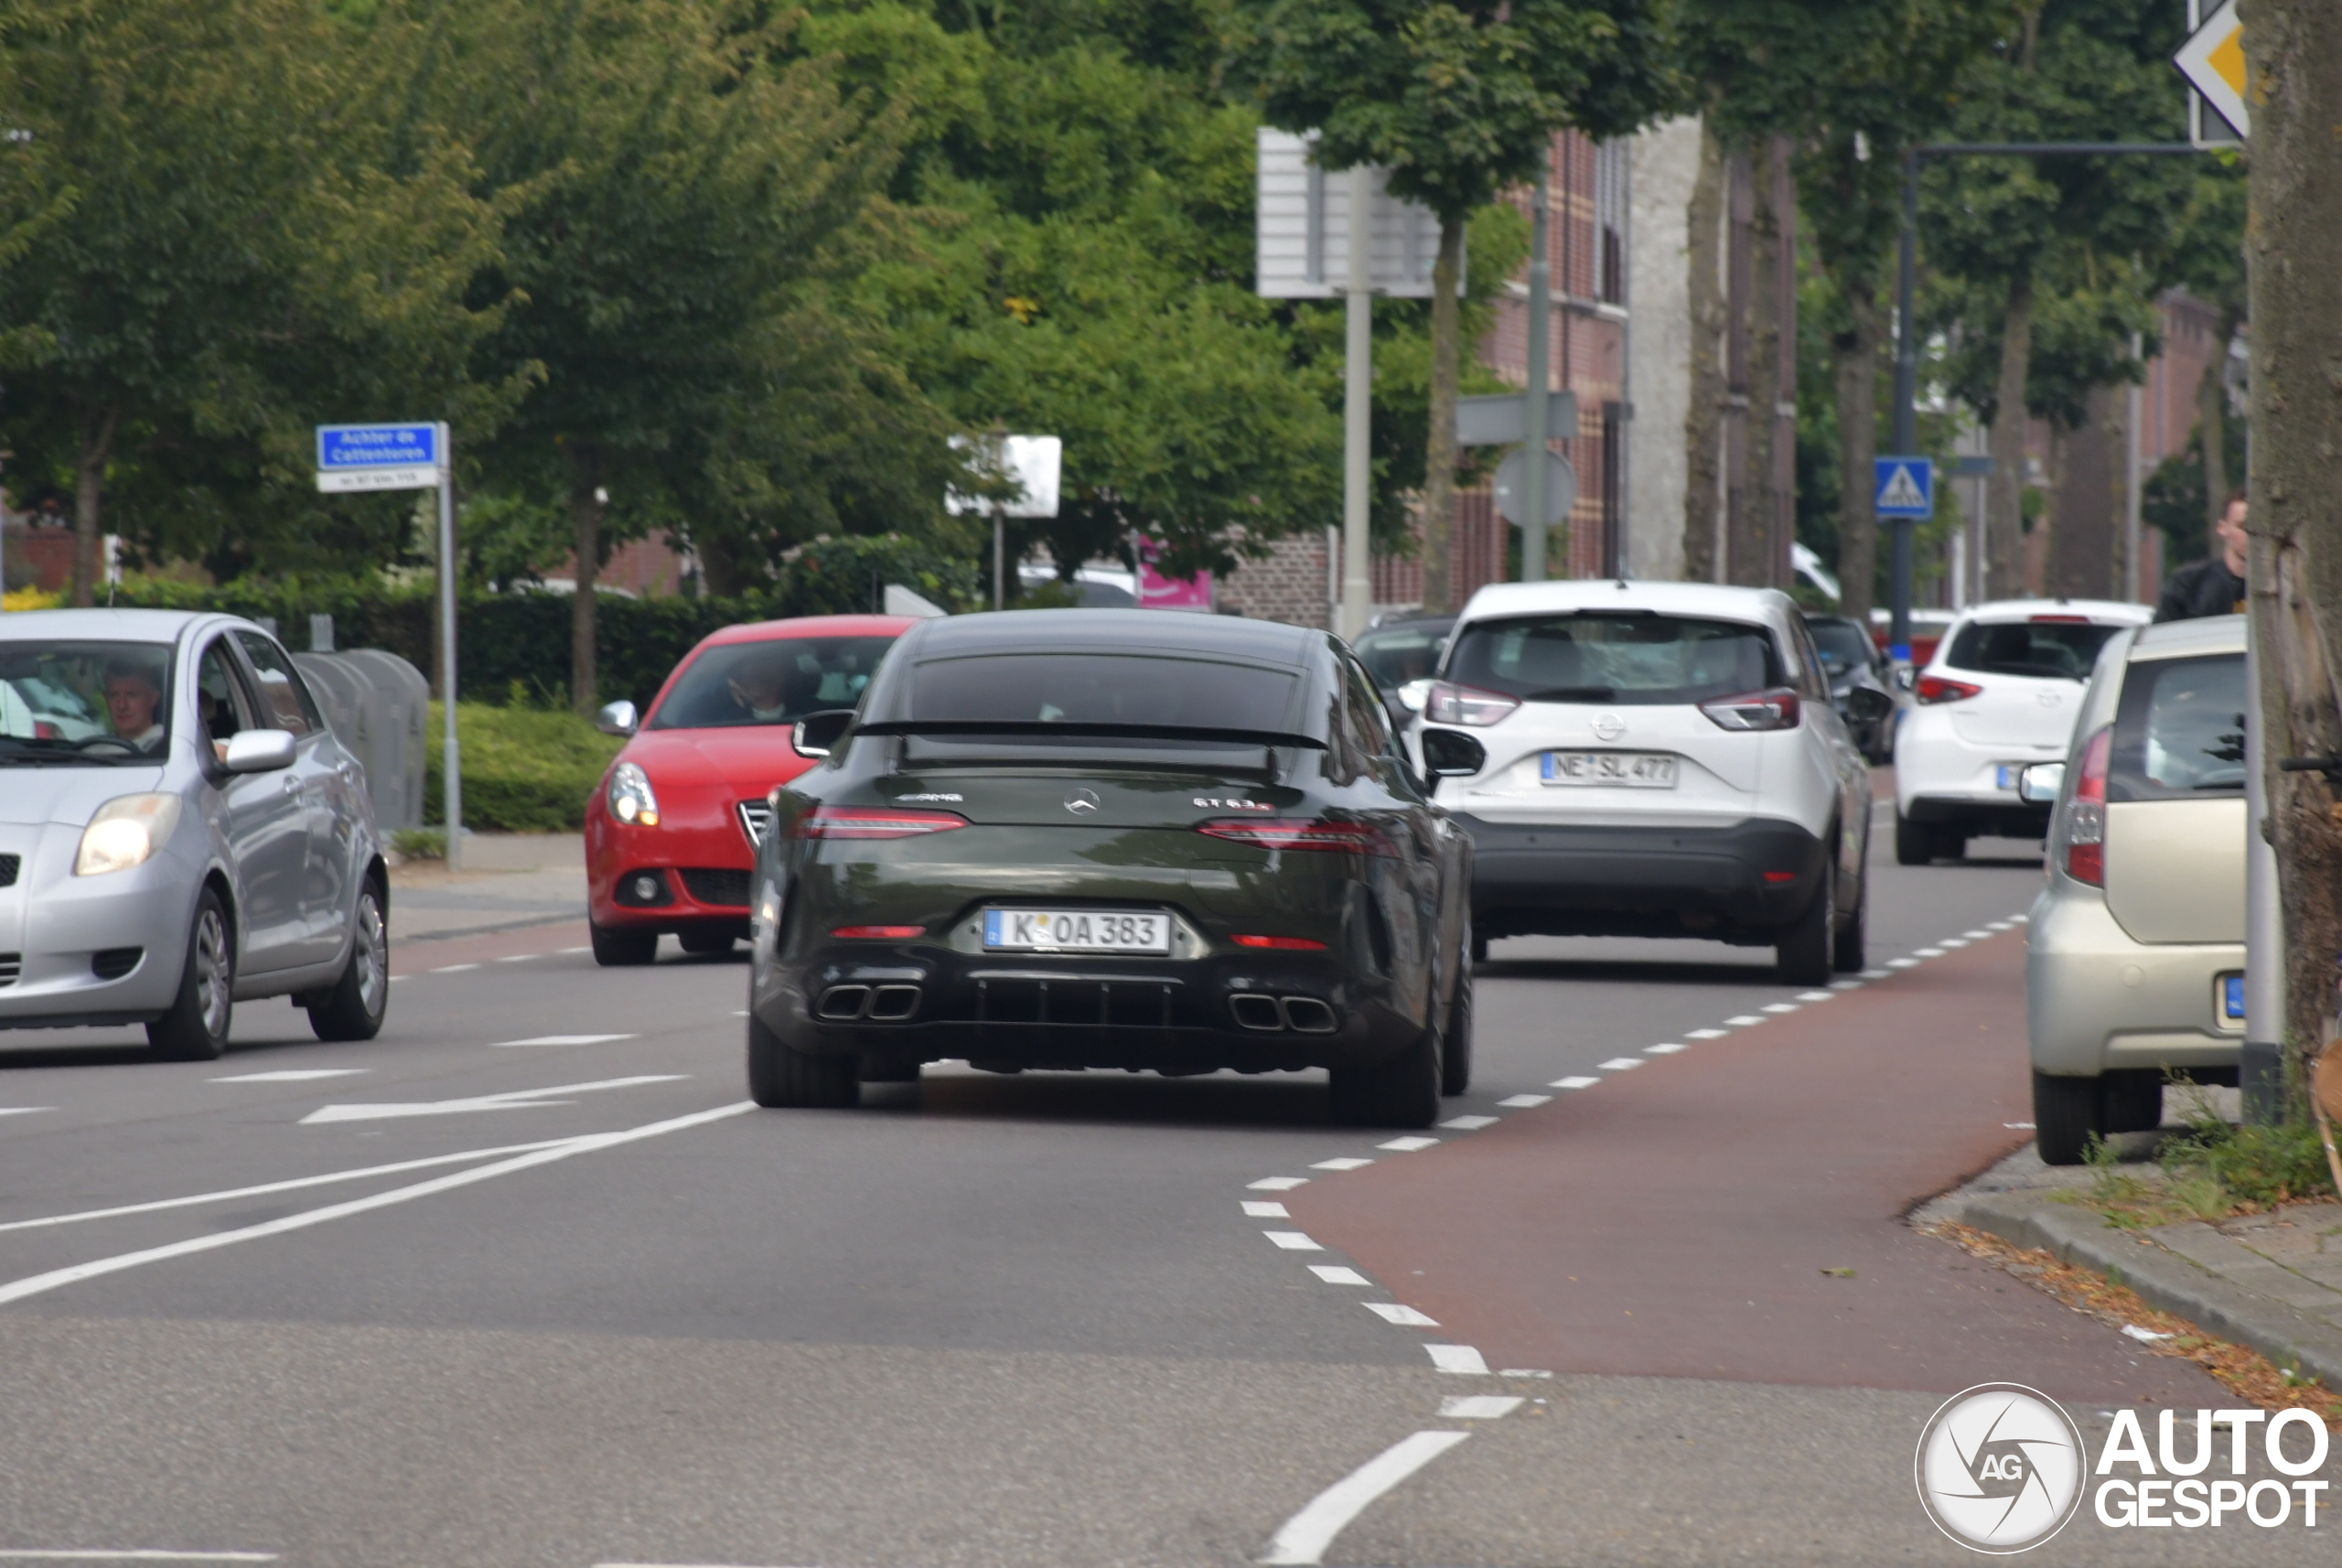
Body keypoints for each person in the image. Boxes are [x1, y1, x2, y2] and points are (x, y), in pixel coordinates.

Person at [2155, 489, 2249, 622]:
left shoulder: (2281, 587)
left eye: (2258, 527)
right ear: (2223, 528)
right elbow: (2163, 637)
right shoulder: (2188, 586)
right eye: (2243, 527)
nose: (2252, 534)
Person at [102, 661, 167, 749]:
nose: (122, 706)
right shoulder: (93, 750)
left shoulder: (168, 745)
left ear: (153, 698)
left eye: (131, 695)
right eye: (114, 695)